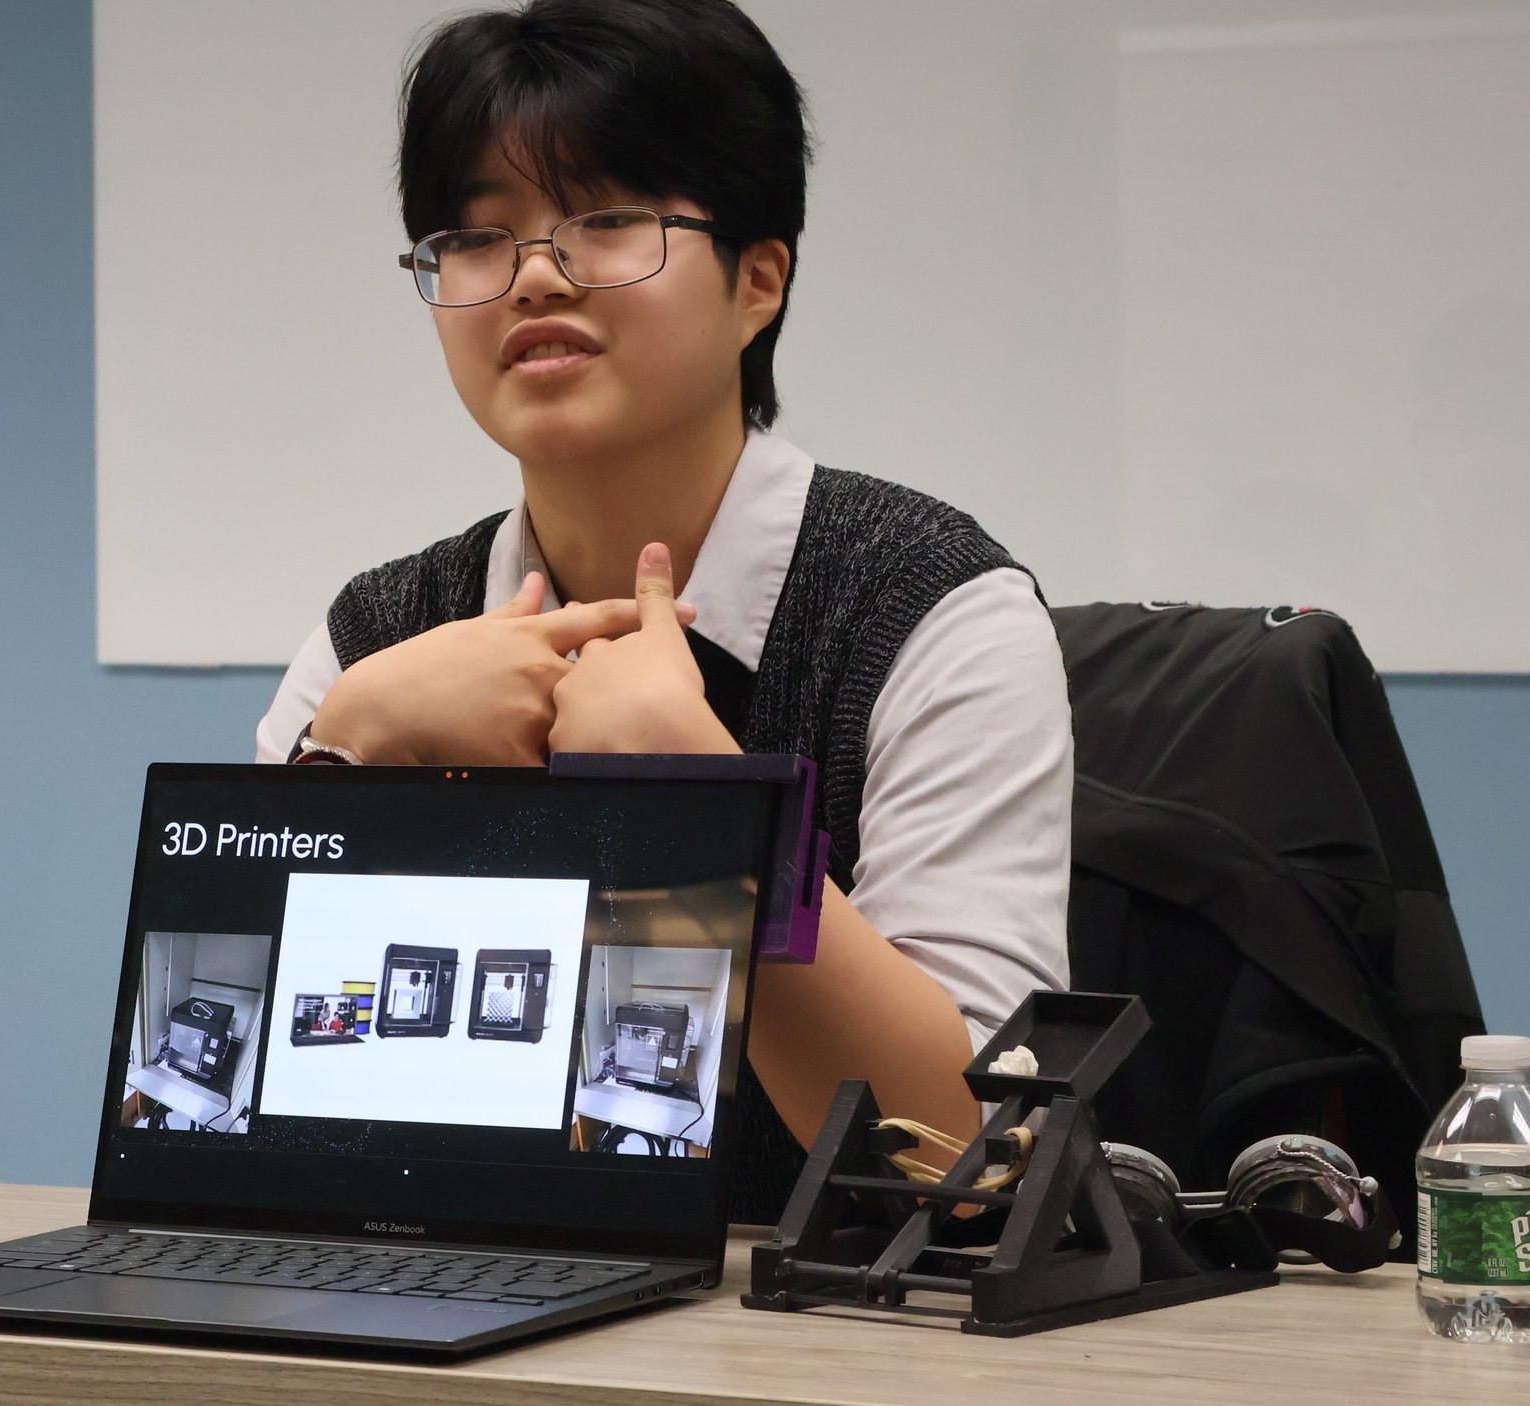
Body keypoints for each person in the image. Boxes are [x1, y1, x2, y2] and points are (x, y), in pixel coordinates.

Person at [253, 0, 1072, 1221]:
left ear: (759, 278)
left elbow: (972, 1160)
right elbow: (224, 1121)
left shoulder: (932, 610)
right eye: (477, 235)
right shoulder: (382, 638)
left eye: (608, 218)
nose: (534, 272)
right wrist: (351, 750)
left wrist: (706, 800)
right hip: (431, 1312)